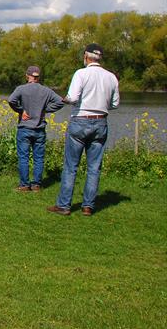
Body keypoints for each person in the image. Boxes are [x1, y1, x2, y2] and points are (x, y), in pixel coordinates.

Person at [48, 44, 119, 216]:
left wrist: (62, 100)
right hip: (101, 122)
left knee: (71, 165)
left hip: (80, 121)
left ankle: (64, 205)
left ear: (86, 57)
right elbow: (115, 104)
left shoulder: (81, 73)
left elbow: (72, 98)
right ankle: (88, 206)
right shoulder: (111, 77)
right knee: (94, 167)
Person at [7, 66, 64, 192]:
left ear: (27, 76)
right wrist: (44, 109)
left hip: (24, 128)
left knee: (24, 157)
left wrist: (21, 110)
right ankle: (36, 185)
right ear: (38, 77)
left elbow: (11, 100)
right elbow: (61, 101)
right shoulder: (46, 91)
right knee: (38, 158)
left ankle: (24, 185)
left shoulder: (21, 89)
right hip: (39, 129)